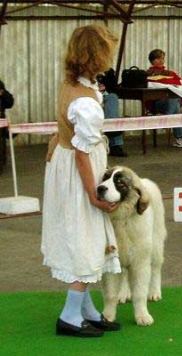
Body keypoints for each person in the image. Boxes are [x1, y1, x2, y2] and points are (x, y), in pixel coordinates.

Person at [41, 24, 122, 338]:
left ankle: (86, 309)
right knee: (86, 239)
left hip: (67, 164)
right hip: (78, 172)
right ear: (97, 55)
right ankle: (70, 315)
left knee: (86, 236)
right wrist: (94, 193)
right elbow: (81, 153)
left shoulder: (74, 84)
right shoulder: (85, 101)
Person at [146, 49, 182, 148]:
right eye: (158, 58)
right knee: (175, 104)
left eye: (162, 58)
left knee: (174, 101)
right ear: (152, 61)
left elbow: (181, 84)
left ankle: (166, 120)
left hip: (170, 103)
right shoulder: (148, 73)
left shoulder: (171, 73)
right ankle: (179, 138)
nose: (161, 61)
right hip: (157, 103)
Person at [98, 68, 127, 157]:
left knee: (113, 97)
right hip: (89, 96)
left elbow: (113, 87)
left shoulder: (109, 71)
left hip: (104, 95)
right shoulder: (84, 69)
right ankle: (114, 133)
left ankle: (115, 143)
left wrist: (105, 85)